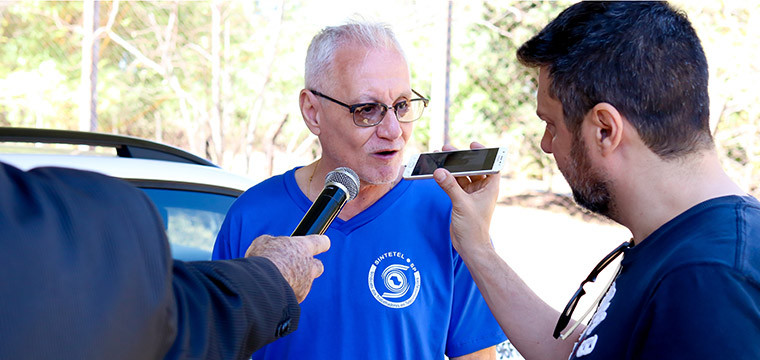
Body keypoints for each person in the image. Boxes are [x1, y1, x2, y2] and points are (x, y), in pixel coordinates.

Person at [432, 2, 760, 360]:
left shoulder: (707, 284)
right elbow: (581, 352)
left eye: (551, 125)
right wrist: (477, 247)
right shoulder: (682, 243)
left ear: (605, 129)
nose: (545, 145)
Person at [213, 21, 506, 359]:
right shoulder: (250, 216)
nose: (394, 131)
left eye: (402, 106)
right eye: (367, 110)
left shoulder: (449, 215)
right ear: (312, 112)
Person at [0, 161, 329, 360]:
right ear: (312, 112)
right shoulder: (251, 209)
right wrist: (273, 276)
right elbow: (174, 326)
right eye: (365, 110)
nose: (383, 129)